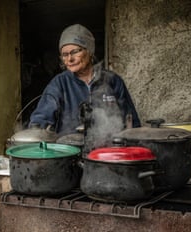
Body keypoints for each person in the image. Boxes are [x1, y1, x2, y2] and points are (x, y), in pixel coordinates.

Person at [28, 24, 141, 154]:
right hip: (69, 154)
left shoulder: (113, 81)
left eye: (75, 52)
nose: (69, 59)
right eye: (64, 55)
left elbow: (131, 123)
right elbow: (39, 122)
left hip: (109, 155)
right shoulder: (59, 84)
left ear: (89, 51)